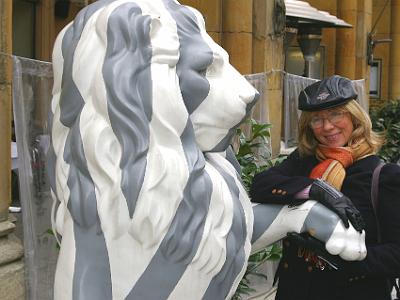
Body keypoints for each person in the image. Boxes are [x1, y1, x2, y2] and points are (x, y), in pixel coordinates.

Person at [250, 75, 400, 300]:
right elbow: (260, 185)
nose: (327, 126)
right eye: (316, 119)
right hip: (295, 291)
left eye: (335, 114)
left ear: (355, 117)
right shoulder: (302, 161)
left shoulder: (383, 176)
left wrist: (346, 262)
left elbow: (396, 253)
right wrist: (313, 188)